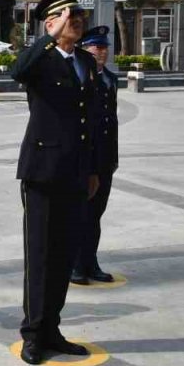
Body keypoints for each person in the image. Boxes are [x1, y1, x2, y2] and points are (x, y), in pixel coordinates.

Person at [10, 0, 100, 365]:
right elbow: (17, 71)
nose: (76, 21)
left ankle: (53, 328)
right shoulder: (41, 60)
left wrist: (93, 168)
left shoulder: (85, 62)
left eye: (78, 16)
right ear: (51, 22)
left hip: (76, 174)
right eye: (67, 16)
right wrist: (46, 38)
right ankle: (33, 334)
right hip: (43, 173)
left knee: (63, 256)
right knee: (41, 256)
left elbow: (90, 120)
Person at [73, 26, 117, 286]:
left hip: (104, 159)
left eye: (104, 47)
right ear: (84, 49)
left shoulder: (110, 78)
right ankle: (75, 265)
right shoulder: (79, 77)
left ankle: (91, 262)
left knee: (96, 215)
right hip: (84, 159)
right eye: (96, 47)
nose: (101, 52)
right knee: (80, 213)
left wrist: (111, 161)